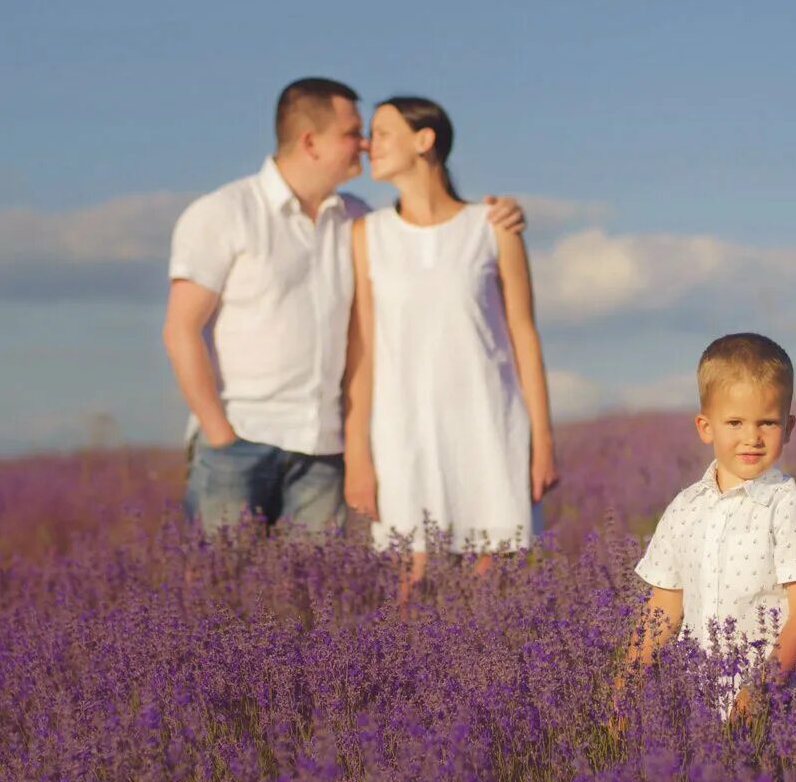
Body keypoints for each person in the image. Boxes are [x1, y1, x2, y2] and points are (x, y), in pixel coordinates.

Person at [163, 78, 525, 540]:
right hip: (240, 440)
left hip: (322, 449)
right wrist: (220, 436)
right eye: (353, 132)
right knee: (215, 597)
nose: (366, 144)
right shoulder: (224, 213)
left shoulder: (358, 219)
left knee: (315, 600)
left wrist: (499, 215)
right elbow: (180, 330)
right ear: (310, 142)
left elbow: (428, 227)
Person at [341, 95, 558, 593]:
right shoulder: (366, 234)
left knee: (491, 585)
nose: (371, 144)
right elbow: (364, 349)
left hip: (489, 424)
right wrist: (358, 454)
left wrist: (542, 441)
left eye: (384, 132)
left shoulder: (492, 227)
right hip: (402, 434)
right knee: (410, 584)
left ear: (425, 140)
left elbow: (524, 333)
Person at [617, 332, 796, 722]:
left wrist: (761, 689)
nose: (751, 437)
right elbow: (662, 609)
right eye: (734, 422)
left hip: (782, 698)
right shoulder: (685, 508)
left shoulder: (789, 507)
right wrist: (626, 688)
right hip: (702, 700)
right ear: (705, 427)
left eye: (767, 422)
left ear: (788, 427)